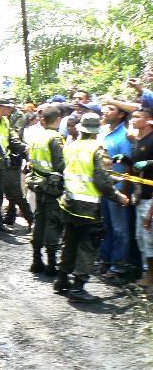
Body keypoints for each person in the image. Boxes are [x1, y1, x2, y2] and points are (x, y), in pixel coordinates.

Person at [56, 113, 130, 302]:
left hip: (69, 202)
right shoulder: (98, 149)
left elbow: (79, 171)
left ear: (81, 129)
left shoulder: (71, 146)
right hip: (88, 207)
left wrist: (111, 178)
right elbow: (100, 180)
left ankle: (62, 280)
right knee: (88, 245)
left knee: (70, 242)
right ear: (97, 131)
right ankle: (78, 289)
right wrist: (117, 196)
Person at [27, 105, 65, 275]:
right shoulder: (55, 138)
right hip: (52, 187)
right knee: (53, 222)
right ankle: (51, 264)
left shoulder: (37, 137)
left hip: (38, 183)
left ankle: (36, 259)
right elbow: (60, 165)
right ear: (57, 120)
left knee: (39, 220)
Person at [98, 103, 133, 279]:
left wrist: (124, 193)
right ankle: (105, 259)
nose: (105, 111)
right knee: (107, 226)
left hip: (118, 189)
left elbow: (127, 166)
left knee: (120, 229)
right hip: (105, 187)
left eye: (110, 109)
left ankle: (118, 265)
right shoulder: (104, 133)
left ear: (120, 115)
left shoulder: (124, 136)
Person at [0, 95, 33, 231]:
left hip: (1, 162)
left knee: (0, 194)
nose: (11, 109)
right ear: (1, 107)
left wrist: (24, 147)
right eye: (8, 107)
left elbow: (12, 138)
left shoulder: (5, 121)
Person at [127, 108, 153, 288]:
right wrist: (125, 161)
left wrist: (150, 163)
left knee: (149, 238)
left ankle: (150, 278)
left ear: (149, 120)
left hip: (150, 197)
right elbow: (136, 167)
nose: (133, 119)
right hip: (139, 195)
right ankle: (146, 274)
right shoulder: (137, 140)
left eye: (138, 116)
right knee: (140, 237)